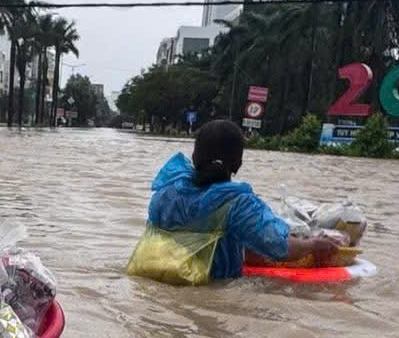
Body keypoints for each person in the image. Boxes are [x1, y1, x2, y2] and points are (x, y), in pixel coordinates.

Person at [146, 119, 343, 280]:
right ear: (238, 163)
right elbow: (281, 247)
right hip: (215, 291)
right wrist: (313, 245)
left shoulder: (165, 194)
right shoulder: (238, 204)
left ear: (194, 156)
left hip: (161, 282)